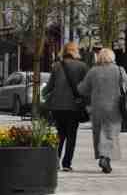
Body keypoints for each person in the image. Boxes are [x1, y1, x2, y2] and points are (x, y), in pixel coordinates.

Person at [77, 47, 127, 174]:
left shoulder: (93, 71)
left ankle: (103, 158)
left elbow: (82, 89)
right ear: (112, 57)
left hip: (97, 108)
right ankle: (105, 158)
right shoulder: (119, 70)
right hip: (114, 108)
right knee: (110, 134)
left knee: (99, 133)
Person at [42, 41, 88, 172]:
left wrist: (43, 95)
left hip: (57, 106)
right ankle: (66, 164)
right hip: (74, 107)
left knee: (60, 135)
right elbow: (86, 87)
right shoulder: (82, 66)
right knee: (71, 136)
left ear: (64, 51)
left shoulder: (56, 66)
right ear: (75, 51)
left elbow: (50, 86)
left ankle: (55, 160)